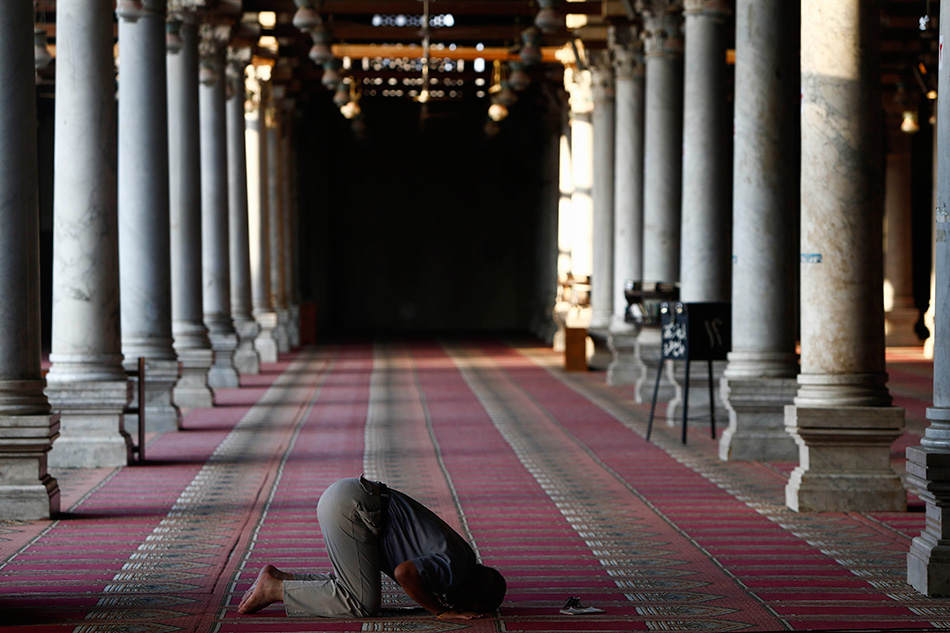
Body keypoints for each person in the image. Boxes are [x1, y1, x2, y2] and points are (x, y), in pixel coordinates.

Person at [238, 475, 506, 619]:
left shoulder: (464, 557)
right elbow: (405, 573)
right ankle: (275, 589)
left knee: (357, 587)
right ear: (472, 595)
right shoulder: (455, 569)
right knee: (364, 604)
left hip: (351, 497)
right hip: (355, 509)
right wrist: (441, 611)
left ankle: (281, 579)